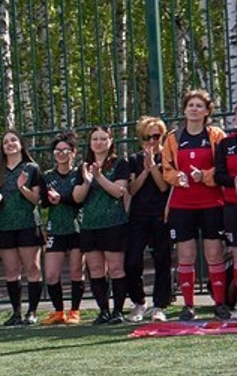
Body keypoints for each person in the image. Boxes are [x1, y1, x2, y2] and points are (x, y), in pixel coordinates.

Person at [161, 88, 227, 320]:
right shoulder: (173, 137)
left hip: (212, 201)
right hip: (182, 203)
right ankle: (188, 306)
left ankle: (220, 303)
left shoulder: (216, 135)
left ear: (207, 111)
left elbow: (223, 167)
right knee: (186, 255)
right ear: (185, 109)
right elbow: (166, 168)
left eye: (199, 106)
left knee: (214, 253)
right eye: (191, 105)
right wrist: (175, 178)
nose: (194, 109)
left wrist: (206, 175)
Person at [73, 126, 131, 324]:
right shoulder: (84, 166)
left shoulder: (120, 163)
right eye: (95, 139)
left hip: (114, 222)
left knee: (116, 268)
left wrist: (99, 176)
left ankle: (118, 311)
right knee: (96, 269)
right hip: (90, 224)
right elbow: (77, 197)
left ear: (110, 141)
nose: (98, 142)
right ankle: (103, 310)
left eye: (103, 138)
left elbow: (118, 191)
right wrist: (88, 181)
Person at [0, 130, 44, 324]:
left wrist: (22, 188)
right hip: (5, 225)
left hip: (28, 223)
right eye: (6, 142)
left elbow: (36, 199)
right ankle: (16, 312)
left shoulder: (32, 168)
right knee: (11, 271)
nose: (10, 144)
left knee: (32, 268)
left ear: (21, 144)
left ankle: (32, 311)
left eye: (13, 140)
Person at [126, 116, 173, 323]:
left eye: (155, 136)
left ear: (162, 136)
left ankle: (160, 305)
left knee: (162, 259)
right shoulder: (133, 160)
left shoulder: (168, 157)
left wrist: (154, 166)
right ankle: (139, 302)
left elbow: (164, 187)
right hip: (139, 214)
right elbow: (132, 189)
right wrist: (145, 170)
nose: (151, 141)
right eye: (147, 137)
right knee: (133, 260)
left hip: (161, 213)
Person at [40, 131, 86, 325]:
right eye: (57, 150)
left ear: (73, 152)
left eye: (65, 150)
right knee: (51, 273)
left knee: (76, 271)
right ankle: (58, 311)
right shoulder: (48, 176)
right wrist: (48, 199)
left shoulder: (80, 173)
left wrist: (63, 199)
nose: (61, 154)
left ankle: (75, 311)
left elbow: (80, 199)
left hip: (76, 227)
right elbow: (42, 203)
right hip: (56, 228)